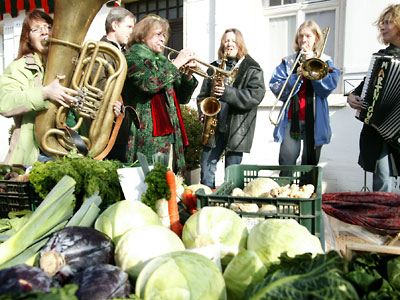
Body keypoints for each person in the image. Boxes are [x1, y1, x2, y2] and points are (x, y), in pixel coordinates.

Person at [122, 14, 198, 174]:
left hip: (169, 134)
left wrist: (188, 76)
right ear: (142, 36)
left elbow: (182, 98)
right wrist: (177, 64)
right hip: (145, 135)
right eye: (158, 34)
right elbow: (148, 84)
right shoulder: (131, 58)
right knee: (149, 182)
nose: (163, 39)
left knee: (168, 183)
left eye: (164, 35)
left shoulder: (162, 62)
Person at [0, 10, 76, 165]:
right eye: (36, 29)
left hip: (73, 147)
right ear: (28, 39)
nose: (44, 32)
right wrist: (45, 93)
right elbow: (4, 103)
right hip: (36, 155)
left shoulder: (72, 65)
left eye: (48, 27)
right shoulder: (18, 67)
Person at [197, 28, 265, 189]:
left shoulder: (252, 68)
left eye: (233, 41)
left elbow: (255, 96)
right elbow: (202, 97)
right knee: (206, 169)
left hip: (237, 128)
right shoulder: (213, 67)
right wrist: (203, 113)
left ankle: (229, 206)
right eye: (226, 41)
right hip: (214, 125)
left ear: (240, 43)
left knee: (232, 175)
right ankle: (206, 202)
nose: (229, 44)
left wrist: (228, 93)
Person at [269, 20, 340, 176]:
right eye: (301, 36)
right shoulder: (287, 62)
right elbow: (275, 87)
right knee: (286, 162)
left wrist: (313, 73)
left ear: (316, 38)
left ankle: (307, 196)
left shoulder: (325, 61)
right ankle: (284, 197)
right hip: (291, 119)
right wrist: (295, 77)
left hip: (315, 119)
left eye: (308, 36)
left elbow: (326, 90)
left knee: (310, 166)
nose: (304, 40)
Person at [347, 4, 400, 192]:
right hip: (379, 130)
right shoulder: (382, 58)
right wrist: (352, 97)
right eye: (382, 23)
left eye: (388, 22)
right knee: (383, 181)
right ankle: (382, 220)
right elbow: (364, 86)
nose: (382, 27)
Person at [98, 7, 136, 162]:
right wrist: (113, 101)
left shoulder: (124, 52)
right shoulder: (100, 50)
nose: (132, 32)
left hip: (120, 127)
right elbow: (97, 85)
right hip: (105, 128)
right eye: (129, 27)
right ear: (114, 25)